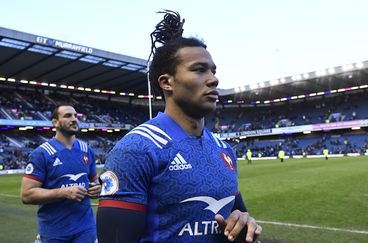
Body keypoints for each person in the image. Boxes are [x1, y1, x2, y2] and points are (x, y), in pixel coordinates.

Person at [97, 10, 261, 243]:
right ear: (166, 82)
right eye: (199, 69)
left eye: (213, 70)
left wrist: (245, 226)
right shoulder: (137, 149)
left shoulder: (224, 150)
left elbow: (238, 218)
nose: (213, 79)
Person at [20, 104, 101, 243]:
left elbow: (95, 180)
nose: (74, 119)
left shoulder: (86, 150)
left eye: (76, 115)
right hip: (55, 231)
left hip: (86, 229)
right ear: (55, 122)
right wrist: (64, 192)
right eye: (68, 115)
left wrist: (98, 188)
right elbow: (26, 195)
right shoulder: (42, 153)